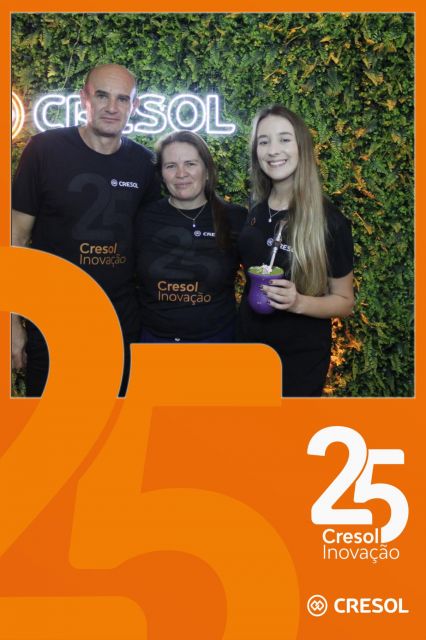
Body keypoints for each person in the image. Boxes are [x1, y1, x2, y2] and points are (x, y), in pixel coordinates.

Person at [11, 63, 161, 396]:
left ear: (134, 106)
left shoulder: (144, 163)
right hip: (52, 323)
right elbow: (15, 239)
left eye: (123, 99)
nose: (112, 107)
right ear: (84, 99)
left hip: (119, 323)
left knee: (115, 420)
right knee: (49, 420)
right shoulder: (44, 150)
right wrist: (11, 323)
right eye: (102, 95)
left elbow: (150, 245)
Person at [238, 105, 354, 397]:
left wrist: (298, 302)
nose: (273, 150)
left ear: (301, 145)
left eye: (284, 139)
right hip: (247, 350)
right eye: (264, 141)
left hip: (299, 360)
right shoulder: (256, 210)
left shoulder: (330, 221)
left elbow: (344, 302)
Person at [136, 130, 247, 343]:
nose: (181, 174)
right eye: (171, 166)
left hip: (217, 341)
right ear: (161, 174)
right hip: (154, 342)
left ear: (207, 170)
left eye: (190, 164)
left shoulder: (235, 218)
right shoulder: (143, 218)